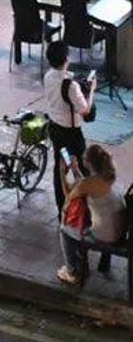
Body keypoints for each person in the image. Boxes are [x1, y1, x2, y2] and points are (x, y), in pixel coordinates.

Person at [57, 145, 125, 285]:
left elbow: (68, 196)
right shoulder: (109, 175)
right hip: (120, 229)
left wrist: (62, 173)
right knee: (85, 220)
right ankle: (83, 264)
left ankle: (71, 271)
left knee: (65, 230)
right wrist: (75, 169)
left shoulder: (87, 183)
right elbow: (84, 185)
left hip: (105, 234)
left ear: (87, 162)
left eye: (83, 157)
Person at [45, 40, 95, 214]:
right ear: (66, 58)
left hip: (56, 131)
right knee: (83, 166)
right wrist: (92, 90)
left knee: (62, 166)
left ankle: (62, 208)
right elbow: (85, 111)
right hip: (72, 136)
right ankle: (87, 208)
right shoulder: (71, 86)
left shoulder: (48, 76)